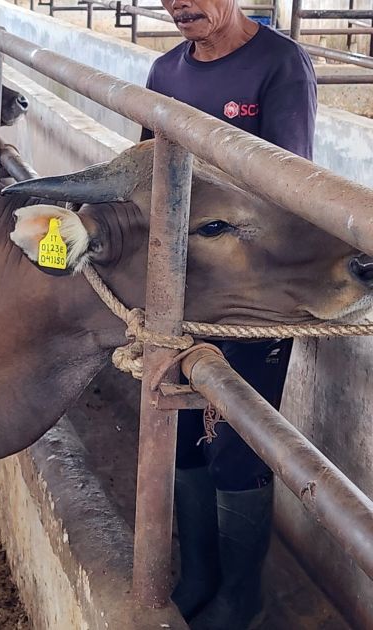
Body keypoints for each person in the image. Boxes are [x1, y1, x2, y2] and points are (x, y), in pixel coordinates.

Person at [140, 0, 316, 627]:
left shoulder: (279, 64)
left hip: (256, 292)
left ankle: (241, 598)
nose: (179, 4)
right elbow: (148, 170)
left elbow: (285, 183)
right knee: (183, 435)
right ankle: (199, 578)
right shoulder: (165, 71)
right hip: (184, 289)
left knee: (238, 443)